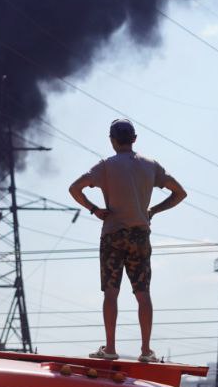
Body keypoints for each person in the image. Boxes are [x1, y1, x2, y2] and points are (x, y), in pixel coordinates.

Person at [68, 118, 187, 363]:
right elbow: (180, 193)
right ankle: (146, 351)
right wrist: (153, 210)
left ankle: (110, 348)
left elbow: (75, 188)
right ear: (134, 139)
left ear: (112, 141)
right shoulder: (150, 165)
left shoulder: (105, 166)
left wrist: (95, 209)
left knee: (111, 293)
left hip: (112, 233)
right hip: (140, 235)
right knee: (143, 293)